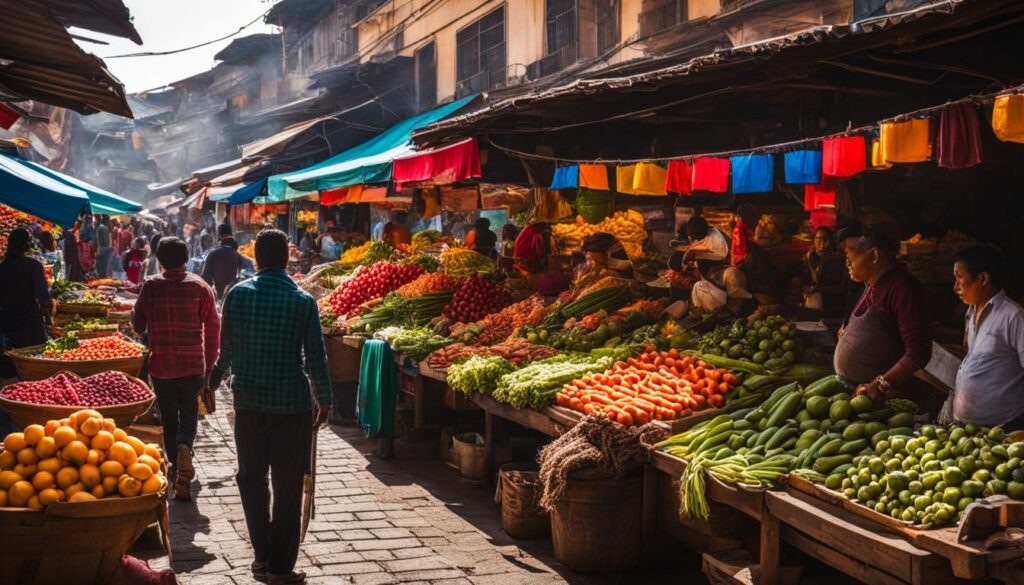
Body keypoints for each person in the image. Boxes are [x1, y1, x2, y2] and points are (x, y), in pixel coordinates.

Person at [207, 229, 331, 585]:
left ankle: (261, 555)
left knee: (250, 478)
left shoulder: (237, 295)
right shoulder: (303, 300)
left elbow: (225, 351)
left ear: (256, 259)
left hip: (248, 402)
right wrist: (325, 400)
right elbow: (317, 358)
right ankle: (278, 565)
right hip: (292, 405)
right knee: (288, 484)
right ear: (287, 259)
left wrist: (213, 381)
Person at [131, 237, 220, 501]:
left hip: (162, 366)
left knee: (169, 417)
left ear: (159, 260)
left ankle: (174, 468)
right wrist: (209, 365)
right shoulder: (201, 287)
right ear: (185, 259)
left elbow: (138, 324)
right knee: (189, 411)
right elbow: (214, 330)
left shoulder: (151, 286)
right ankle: (185, 449)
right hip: (193, 365)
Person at [834, 223, 932, 402]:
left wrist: (880, 385)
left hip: (881, 400)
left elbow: (919, 351)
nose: (847, 261)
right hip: (857, 393)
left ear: (874, 255)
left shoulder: (903, 289)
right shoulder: (871, 283)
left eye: (850, 254)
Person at [944, 246, 1024, 428]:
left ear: (983, 278)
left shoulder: (1013, 317)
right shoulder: (971, 311)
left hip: (1003, 428)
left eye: (959, 277)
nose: (955, 286)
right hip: (967, 428)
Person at [0, 228, 53, 350]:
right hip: (30, 327)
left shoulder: (2, 268)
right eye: (29, 241)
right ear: (25, 245)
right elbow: (44, 300)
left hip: (7, 326)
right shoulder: (33, 266)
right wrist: (49, 322)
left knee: (10, 361)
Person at [799, 227, 849, 315]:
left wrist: (820, 289)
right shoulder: (809, 258)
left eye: (825, 239)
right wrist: (804, 287)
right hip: (813, 304)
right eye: (818, 238)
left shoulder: (839, 259)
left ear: (831, 241)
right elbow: (804, 279)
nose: (822, 242)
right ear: (813, 240)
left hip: (834, 306)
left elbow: (843, 287)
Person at [201, 224, 247, 299]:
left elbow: (205, 278)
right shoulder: (238, 255)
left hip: (217, 299)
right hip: (234, 298)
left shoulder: (213, 254)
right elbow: (243, 276)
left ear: (219, 237)